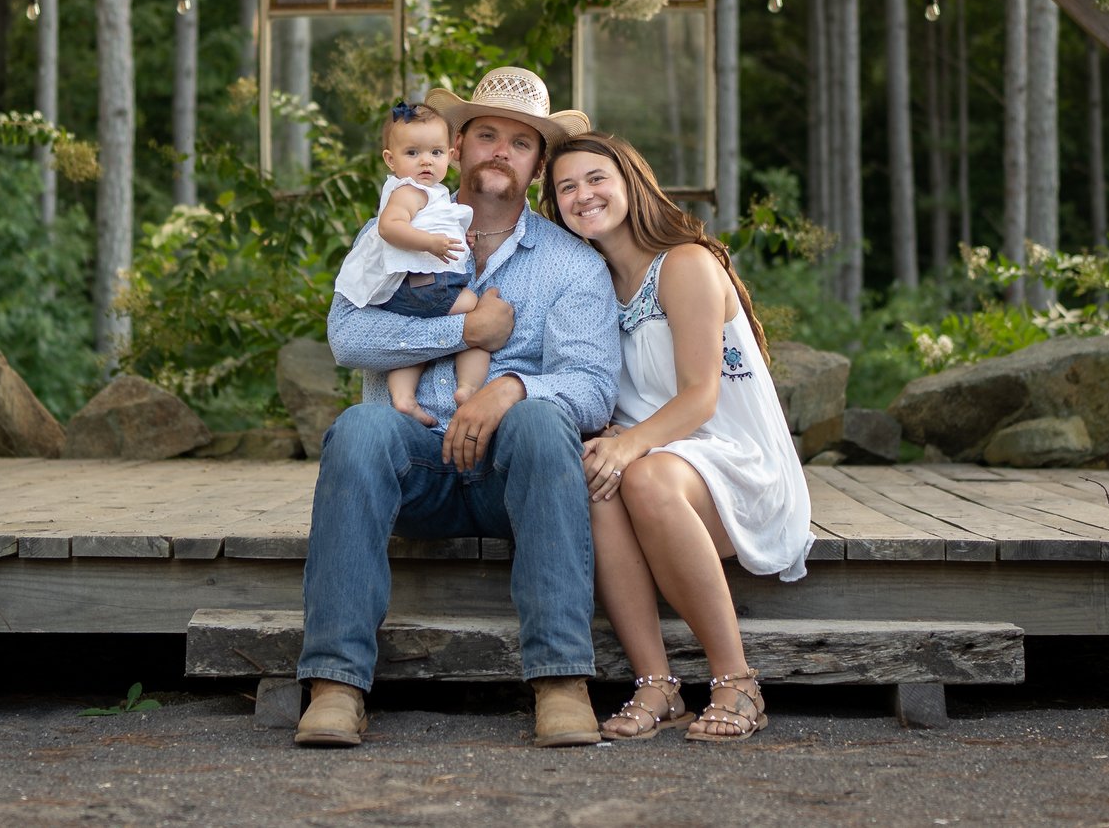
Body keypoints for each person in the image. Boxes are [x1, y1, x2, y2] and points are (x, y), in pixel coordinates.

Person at [294, 66, 618, 750]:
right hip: (415, 460)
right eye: (488, 135)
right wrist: (464, 332)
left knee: (540, 415)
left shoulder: (571, 264)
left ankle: (561, 681)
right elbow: (347, 337)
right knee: (358, 428)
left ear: (536, 165)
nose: (502, 150)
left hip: (512, 474)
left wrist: (513, 387)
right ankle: (336, 684)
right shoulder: (388, 236)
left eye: (522, 142)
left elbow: (592, 385)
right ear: (458, 146)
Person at [542, 132, 812, 743]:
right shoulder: (591, 284)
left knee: (638, 470)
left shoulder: (685, 264)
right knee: (598, 478)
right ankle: (657, 685)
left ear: (631, 183)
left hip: (737, 464)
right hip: (659, 461)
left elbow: (700, 397)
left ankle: (737, 681)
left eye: (596, 179)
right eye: (566, 188)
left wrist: (630, 442)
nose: (583, 195)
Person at [333, 101, 484, 425]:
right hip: (425, 284)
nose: (426, 161)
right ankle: (469, 387)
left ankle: (403, 398)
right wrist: (431, 243)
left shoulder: (432, 194)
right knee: (477, 310)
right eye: (412, 153)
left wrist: (459, 237)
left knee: (409, 346)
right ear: (391, 159)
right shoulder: (410, 191)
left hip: (411, 291)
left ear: (451, 155)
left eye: (435, 153)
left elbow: (437, 224)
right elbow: (390, 227)